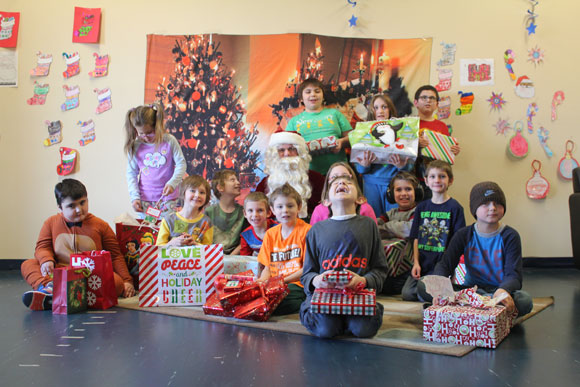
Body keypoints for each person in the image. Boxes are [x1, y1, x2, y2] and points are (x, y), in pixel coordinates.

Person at [418, 182, 533, 317]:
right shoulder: (463, 234)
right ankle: (483, 309)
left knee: (524, 301)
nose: (493, 208)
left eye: (497, 203)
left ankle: (467, 308)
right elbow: (445, 265)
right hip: (469, 291)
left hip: (496, 293)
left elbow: (514, 275)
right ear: (474, 208)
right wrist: (440, 288)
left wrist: (503, 290)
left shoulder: (510, 236)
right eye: (486, 204)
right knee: (423, 284)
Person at [21, 179, 135, 310]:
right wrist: (46, 260)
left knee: (117, 283)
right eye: (71, 206)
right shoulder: (51, 223)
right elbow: (42, 247)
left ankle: (66, 294)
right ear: (60, 207)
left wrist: (127, 280)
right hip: (59, 273)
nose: (79, 209)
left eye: (82, 202)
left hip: (90, 275)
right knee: (28, 264)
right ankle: (49, 289)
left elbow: (115, 256)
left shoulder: (101, 225)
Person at [300, 173, 388, 338]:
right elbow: (307, 274)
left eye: (349, 182)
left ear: (360, 199)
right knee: (325, 330)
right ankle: (312, 311)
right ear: (326, 201)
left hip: (357, 295)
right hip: (325, 295)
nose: (341, 182)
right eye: (335, 182)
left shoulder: (369, 225)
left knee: (363, 330)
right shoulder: (316, 230)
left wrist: (363, 281)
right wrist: (317, 280)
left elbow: (380, 269)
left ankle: (367, 312)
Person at [402, 160, 465, 301]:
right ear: (426, 180)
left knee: (428, 291)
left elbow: (458, 242)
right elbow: (416, 238)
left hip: (442, 265)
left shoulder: (455, 208)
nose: (437, 180)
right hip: (423, 263)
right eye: (432, 176)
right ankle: (430, 292)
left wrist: (453, 269)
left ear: (450, 180)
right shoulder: (421, 208)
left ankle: (433, 293)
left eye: (442, 176)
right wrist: (416, 263)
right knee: (407, 293)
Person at [124, 103, 186, 218]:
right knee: (148, 233)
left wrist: (172, 183)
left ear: (157, 126)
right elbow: (131, 173)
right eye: (141, 133)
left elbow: (181, 164)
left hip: (168, 199)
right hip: (145, 199)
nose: (146, 137)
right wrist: (135, 197)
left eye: (149, 132)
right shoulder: (136, 146)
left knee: (167, 230)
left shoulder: (169, 141)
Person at [355, 94, 413, 216]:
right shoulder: (363, 132)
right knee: (373, 219)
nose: (380, 111)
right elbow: (359, 167)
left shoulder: (402, 131)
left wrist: (401, 166)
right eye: (376, 108)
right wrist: (364, 165)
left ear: (390, 109)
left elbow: (409, 165)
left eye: (384, 107)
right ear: (372, 111)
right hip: (371, 184)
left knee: (395, 218)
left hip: (394, 183)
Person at [257, 184, 311, 315]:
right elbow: (268, 268)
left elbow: (307, 268)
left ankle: (304, 301)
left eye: (290, 206)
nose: (285, 210)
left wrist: (281, 281)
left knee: (277, 301)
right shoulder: (270, 234)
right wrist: (261, 283)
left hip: (297, 284)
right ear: (272, 210)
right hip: (275, 284)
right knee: (257, 297)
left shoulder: (307, 231)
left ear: (299, 207)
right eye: (280, 207)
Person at [285, 78, 352, 176]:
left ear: (323, 96)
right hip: (308, 174)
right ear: (301, 99)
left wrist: (342, 142)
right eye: (308, 92)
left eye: (317, 91)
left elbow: (352, 138)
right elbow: (287, 148)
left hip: (338, 172)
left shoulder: (335, 114)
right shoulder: (294, 122)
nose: (313, 94)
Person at [255, 130, 324, 219]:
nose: (287, 154)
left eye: (291, 149)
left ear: (300, 152)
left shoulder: (317, 179)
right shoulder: (264, 185)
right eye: (281, 150)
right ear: (274, 155)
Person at [376, 172, 421, 295]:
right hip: (388, 266)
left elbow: (410, 230)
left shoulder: (418, 211)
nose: (404, 194)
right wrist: (395, 228)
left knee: (396, 288)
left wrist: (387, 227)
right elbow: (375, 228)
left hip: (410, 267)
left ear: (416, 192)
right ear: (391, 194)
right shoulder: (390, 213)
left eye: (408, 189)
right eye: (398, 190)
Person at [413, 85, 461, 199]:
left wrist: (453, 151)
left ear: (437, 104)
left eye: (432, 98)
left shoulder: (442, 126)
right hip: (412, 179)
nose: (428, 100)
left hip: (435, 181)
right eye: (423, 97)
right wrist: (415, 144)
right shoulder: (409, 124)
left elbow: (446, 155)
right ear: (416, 102)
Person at [310, 162, 376, 225]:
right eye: (334, 177)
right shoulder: (319, 211)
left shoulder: (366, 209)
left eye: (345, 177)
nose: (341, 181)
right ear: (328, 183)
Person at [155, 175, 213, 246]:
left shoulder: (206, 222)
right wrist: (172, 244)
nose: (197, 195)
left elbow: (208, 250)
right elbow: (158, 248)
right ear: (183, 193)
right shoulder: (169, 220)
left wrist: (195, 244)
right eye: (192, 191)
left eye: (202, 192)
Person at [205, 170, 246, 254]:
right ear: (220, 187)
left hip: (236, 258)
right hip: (213, 257)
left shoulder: (244, 212)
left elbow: (245, 240)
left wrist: (231, 257)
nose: (238, 183)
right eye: (232, 180)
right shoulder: (209, 212)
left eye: (237, 180)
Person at [240, 192, 277, 256]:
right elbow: (245, 259)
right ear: (245, 213)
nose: (255, 215)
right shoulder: (246, 235)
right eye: (250, 210)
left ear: (268, 213)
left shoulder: (278, 229)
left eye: (260, 210)